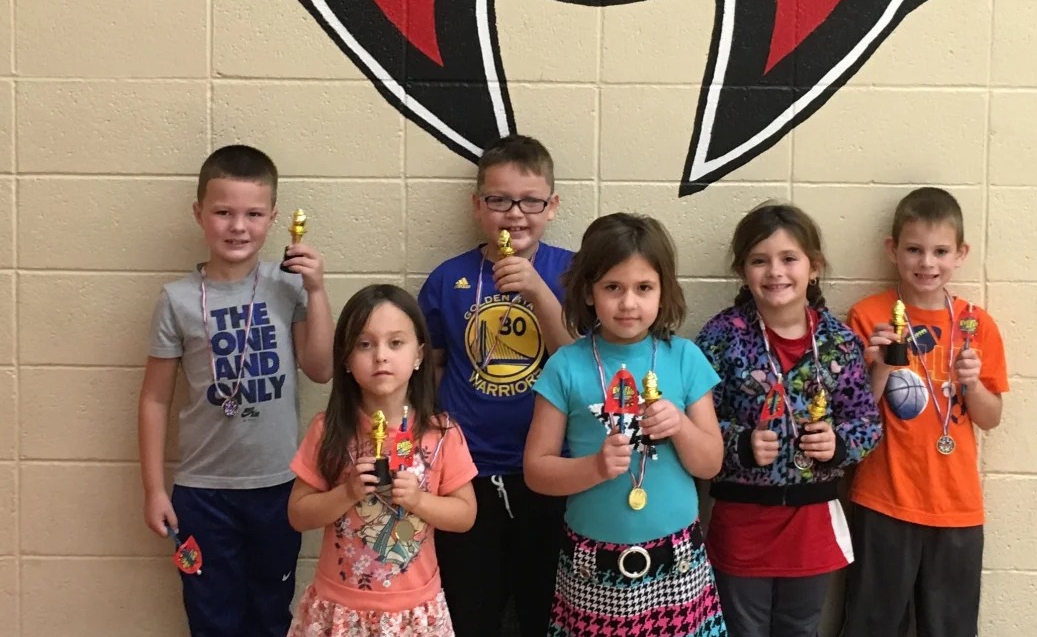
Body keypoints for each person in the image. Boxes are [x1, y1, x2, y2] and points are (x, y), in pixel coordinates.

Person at [138, 144, 334, 636]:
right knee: (212, 617)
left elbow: (321, 369)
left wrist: (316, 290)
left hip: (277, 486)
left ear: (272, 218)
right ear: (199, 213)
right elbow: (155, 399)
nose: (237, 226)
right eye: (223, 212)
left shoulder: (286, 284)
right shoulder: (176, 300)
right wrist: (155, 489)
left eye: (252, 214)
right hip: (203, 492)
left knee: (271, 611)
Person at [524, 213, 727, 637]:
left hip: (678, 561)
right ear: (589, 292)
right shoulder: (566, 366)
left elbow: (710, 464)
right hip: (591, 564)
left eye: (644, 288)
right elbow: (536, 471)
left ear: (663, 291)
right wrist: (594, 468)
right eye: (613, 287)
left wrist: (681, 428)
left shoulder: (685, 358)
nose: (629, 303)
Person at [696, 202, 881, 637]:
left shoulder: (838, 341)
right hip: (741, 521)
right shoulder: (721, 338)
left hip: (812, 521)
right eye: (759, 261)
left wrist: (839, 443)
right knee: (743, 630)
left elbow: (867, 422)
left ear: (813, 268)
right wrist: (739, 443)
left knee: (800, 629)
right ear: (743, 271)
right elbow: (695, 423)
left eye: (789, 259)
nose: (775, 272)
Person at [417, 134, 574, 637]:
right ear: (477, 205)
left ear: (552, 206)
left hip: (550, 472)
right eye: (499, 200)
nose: (515, 214)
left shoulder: (572, 272)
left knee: (543, 608)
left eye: (531, 201)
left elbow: (580, 366)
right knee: (472, 607)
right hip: (467, 474)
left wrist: (537, 291)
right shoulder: (448, 278)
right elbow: (432, 370)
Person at [840, 187, 1009, 637]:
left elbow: (990, 418)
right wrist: (876, 366)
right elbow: (854, 418)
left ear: (960, 254)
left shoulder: (977, 324)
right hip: (884, 499)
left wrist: (972, 383)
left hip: (956, 507)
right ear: (893, 249)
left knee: (950, 628)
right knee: (871, 624)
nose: (926, 263)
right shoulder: (868, 315)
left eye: (940, 251)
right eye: (914, 249)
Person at [287, 284, 478, 636]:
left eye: (396, 342)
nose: (380, 356)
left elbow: (466, 515)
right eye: (364, 344)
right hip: (339, 610)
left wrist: (419, 500)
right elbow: (298, 514)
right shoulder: (327, 430)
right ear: (345, 359)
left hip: (415, 611)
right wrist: (346, 493)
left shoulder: (443, 433)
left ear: (419, 355)